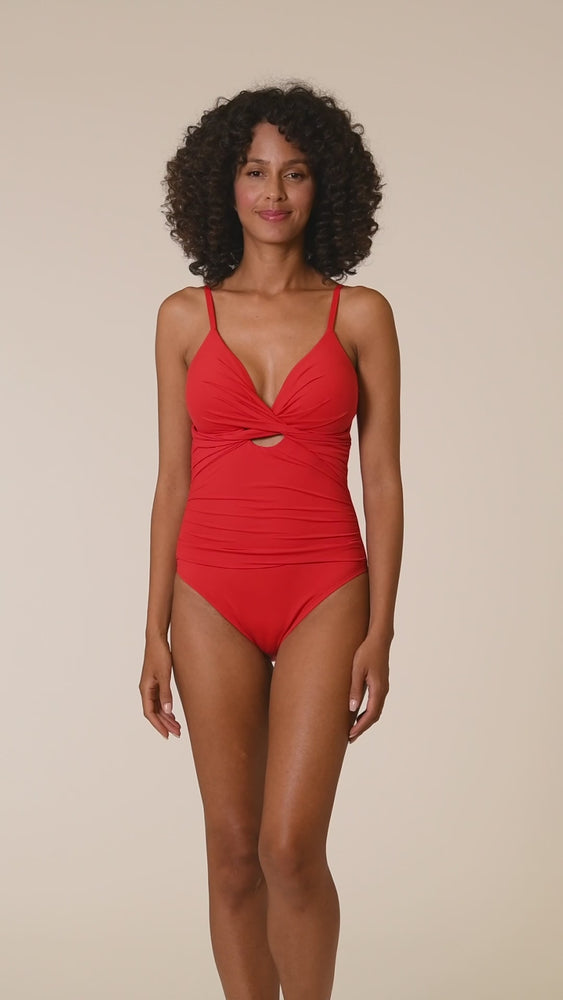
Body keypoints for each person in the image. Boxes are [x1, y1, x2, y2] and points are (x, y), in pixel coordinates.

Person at [139, 81, 403, 1000]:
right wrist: (151, 632)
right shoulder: (184, 316)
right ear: (225, 185)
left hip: (325, 586)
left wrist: (382, 629)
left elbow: (381, 481)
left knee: (290, 847)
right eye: (254, 172)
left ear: (324, 186)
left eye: (294, 173)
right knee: (231, 849)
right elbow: (171, 482)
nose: (273, 192)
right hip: (207, 591)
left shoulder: (359, 314)